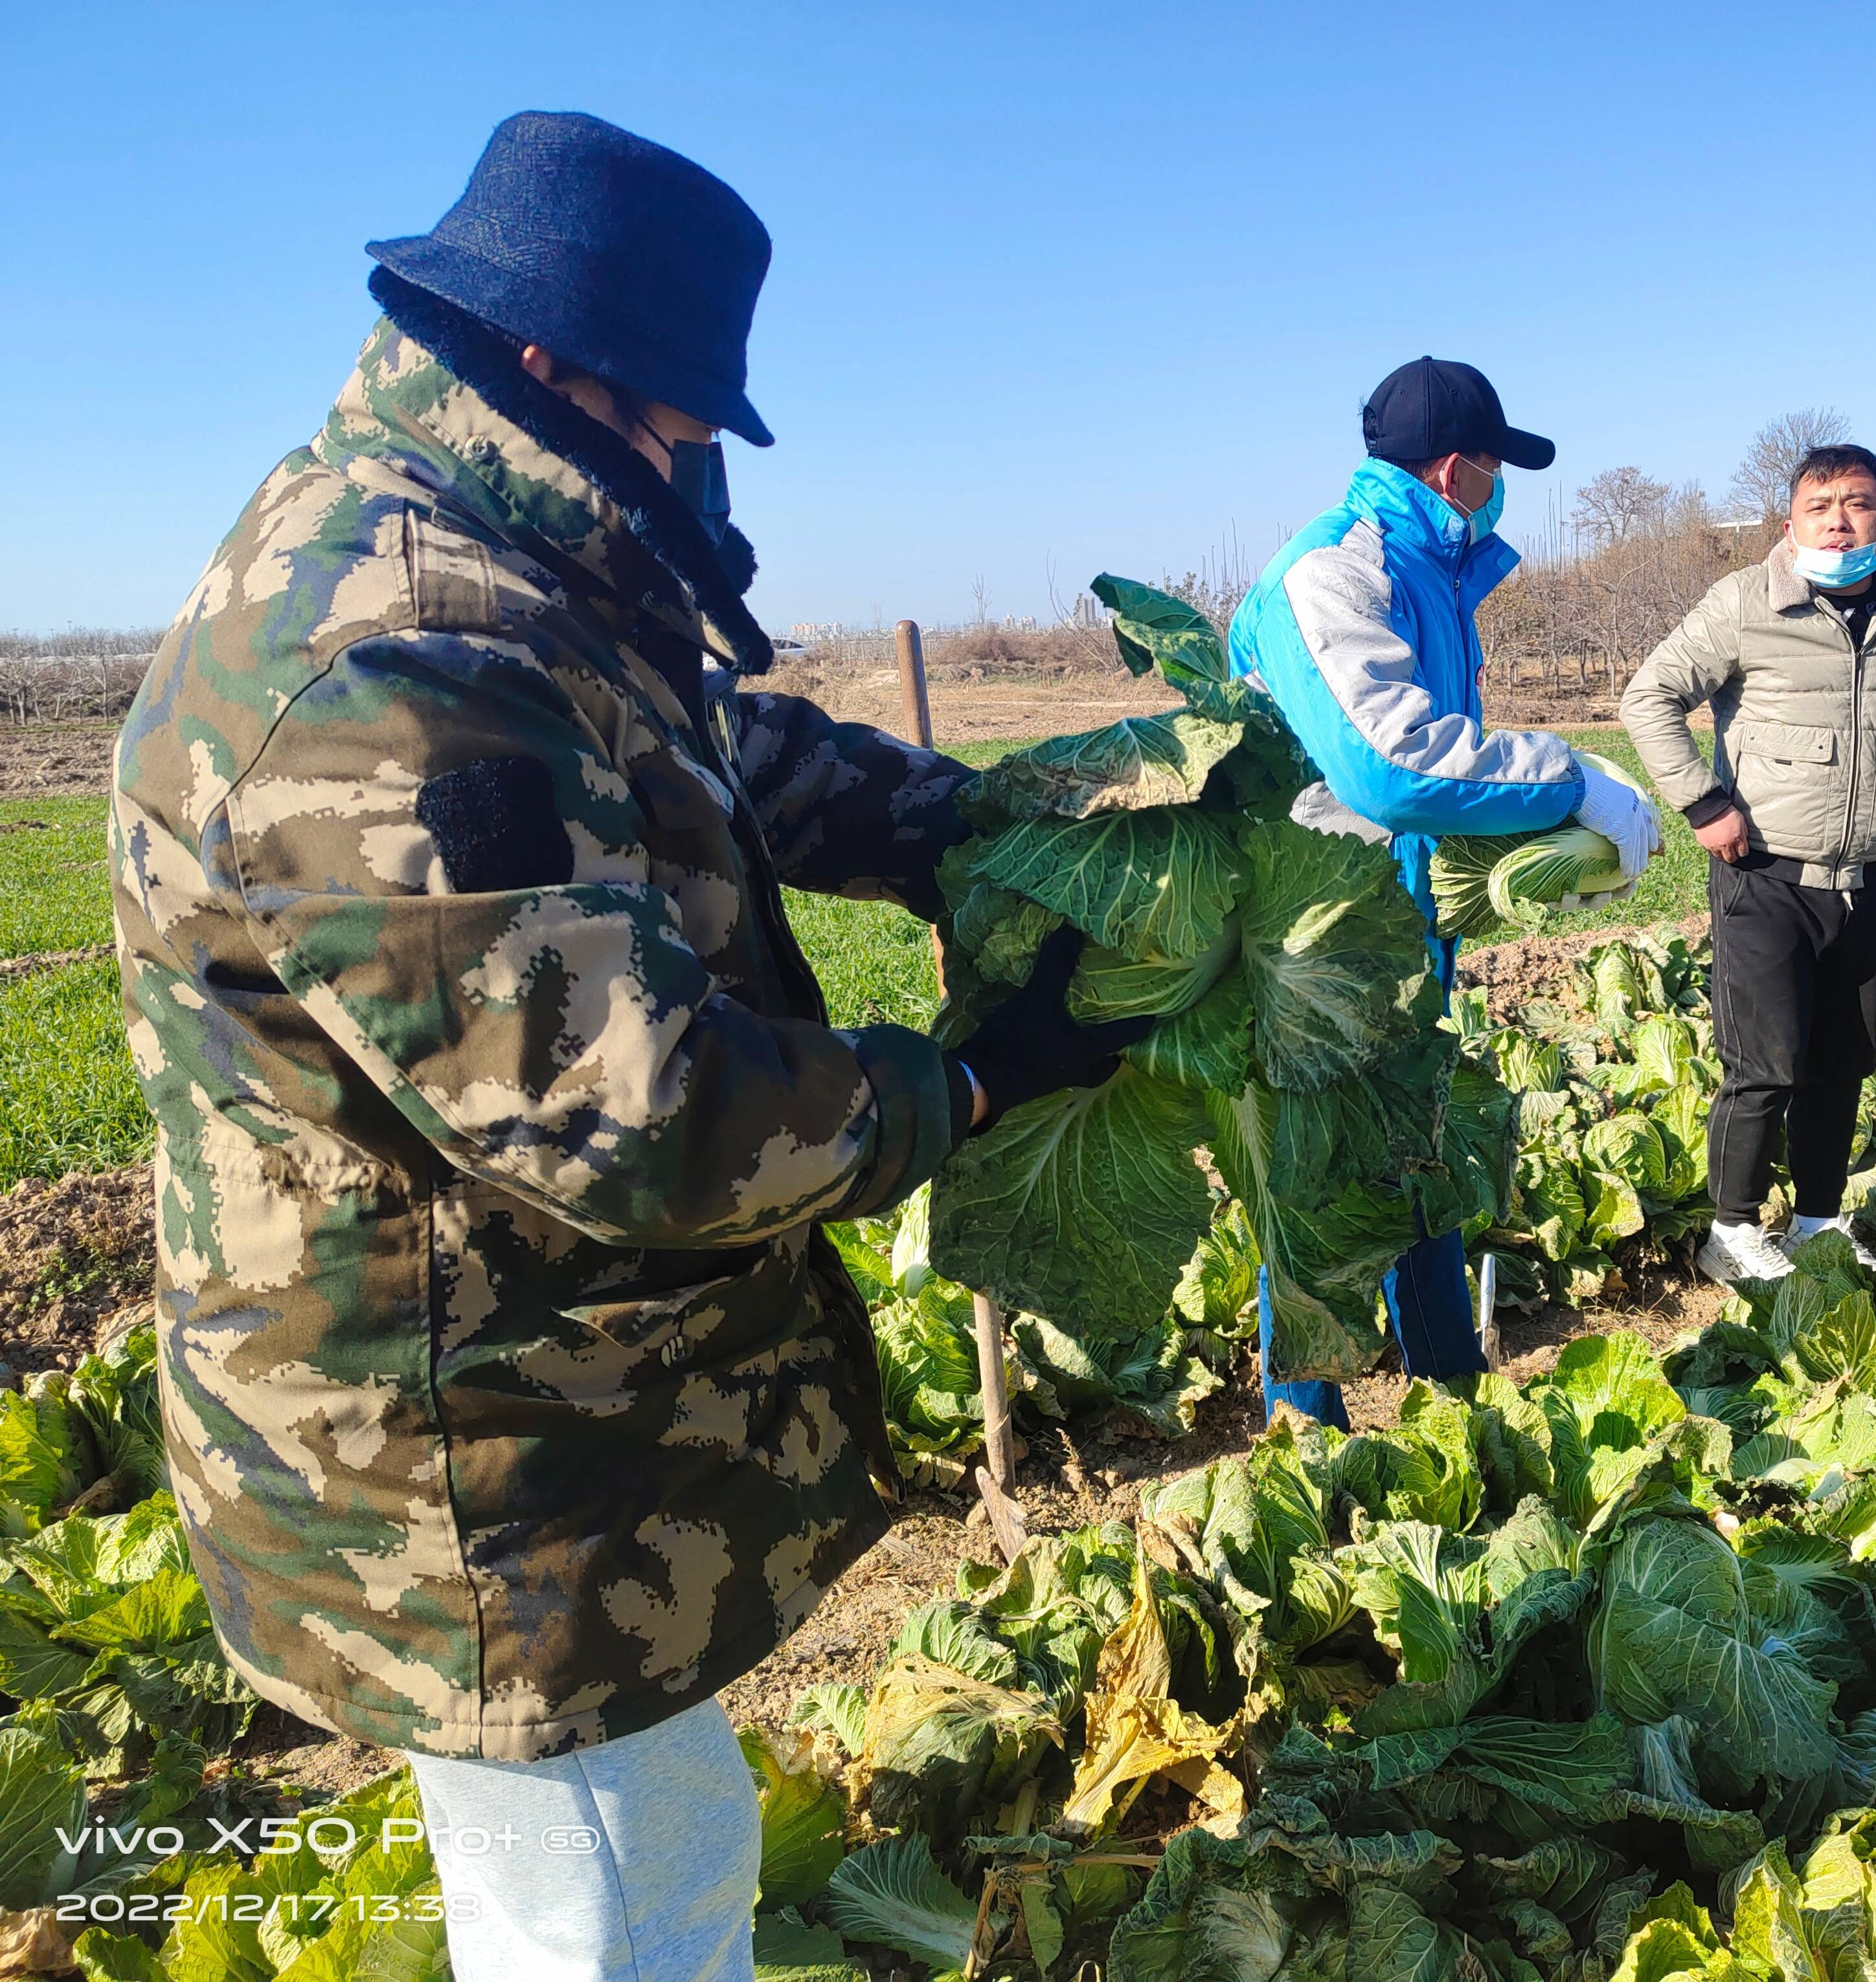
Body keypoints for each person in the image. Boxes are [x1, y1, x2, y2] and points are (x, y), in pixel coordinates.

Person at [109, 111, 1141, 1981]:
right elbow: (636, 1117)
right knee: (609, 1914)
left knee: (633, 1854)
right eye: (678, 424)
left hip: (536, 1402)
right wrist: (967, 1087)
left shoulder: (513, 566)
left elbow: (712, 750)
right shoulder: (399, 658)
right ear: (547, 368)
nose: (688, 465)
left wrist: (965, 827)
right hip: (463, 1463)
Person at [1227, 357, 1660, 1426]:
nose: (1504, 488)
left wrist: (1552, 846)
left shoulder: (1429, 571)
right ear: (1460, 470)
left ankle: (1450, 1399)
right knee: (1320, 1187)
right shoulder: (1332, 571)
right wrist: (1573, 781)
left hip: (1400, 925)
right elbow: (1392, 763)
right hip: (1310, 937)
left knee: (1418, 1153)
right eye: (1499, 469)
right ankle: (1306, 1433)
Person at [1618, 443, 1876, 1285]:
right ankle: (1733, 1234)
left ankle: (1819, 1226)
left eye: (1858, 504)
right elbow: (1648, 698)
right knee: (1763, 1065)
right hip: (1764, 876)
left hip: (1870, 875)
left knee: (1842, 1062)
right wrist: (1702, 802)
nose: (1839, 520)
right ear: (1790, 522)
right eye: (1820, 505)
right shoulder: (1742, 605)